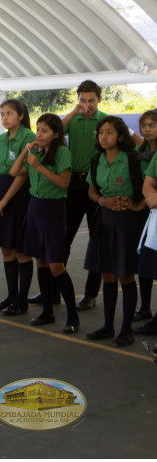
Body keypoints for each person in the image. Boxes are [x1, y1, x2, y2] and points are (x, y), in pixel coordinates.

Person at [10, 113, 80, 333]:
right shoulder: (36, 151)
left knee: (55, 264)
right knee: (40, 261)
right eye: (38, 130)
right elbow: (14, 171)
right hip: (35, 208)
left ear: (56, 133)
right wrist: (26, 150)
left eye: (45, 131)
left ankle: (73, 316)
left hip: (53, 210)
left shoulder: (62, 152)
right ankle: (47, 310)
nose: (39, 134)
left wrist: (39, 167)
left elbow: (63, 182)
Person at [84, 116, 145, 347]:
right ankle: (108, 326)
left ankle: (127, 329)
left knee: (125, 275)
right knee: (107, 274)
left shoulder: (132, 159)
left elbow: (149, 185)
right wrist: (102, 201)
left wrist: (137, 205)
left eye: (109, 132)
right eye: (101, 132)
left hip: (126, 221)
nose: (104, 136)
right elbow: (91, 191)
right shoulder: (96, 160)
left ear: (120, 135)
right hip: (105, 220)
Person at [53, 80, 107, 311]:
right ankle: (54, 289)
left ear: (99, 99)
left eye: (91, 100)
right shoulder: (73, 119)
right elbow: (56, 133)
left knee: (97, 241)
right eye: (82, 100)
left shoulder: (106, 121)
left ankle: (91, 293)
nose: (87, 105)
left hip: (97, 185)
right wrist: (74, 111)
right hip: (74, 184)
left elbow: (133, 143)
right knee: (64, 238)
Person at [0, 99, 35, 315]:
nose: (5, 118)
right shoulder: (2, 139)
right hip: (0, 192)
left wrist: (4, 200)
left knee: (21, 250)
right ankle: (11, 295)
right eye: (2, 114)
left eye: (9, 114)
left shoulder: (29, 138)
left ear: (21, 115)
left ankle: (22, 300)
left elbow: (22, 176)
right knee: (6, 249)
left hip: (19, 196)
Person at [133, 109, 157, 322]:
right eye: (144, 126)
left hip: (153, 210)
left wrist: (145, 203)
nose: (147, 130)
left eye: (152, 125)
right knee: (145, 262)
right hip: (143, 213)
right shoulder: (139, 152)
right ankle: (145, 306)